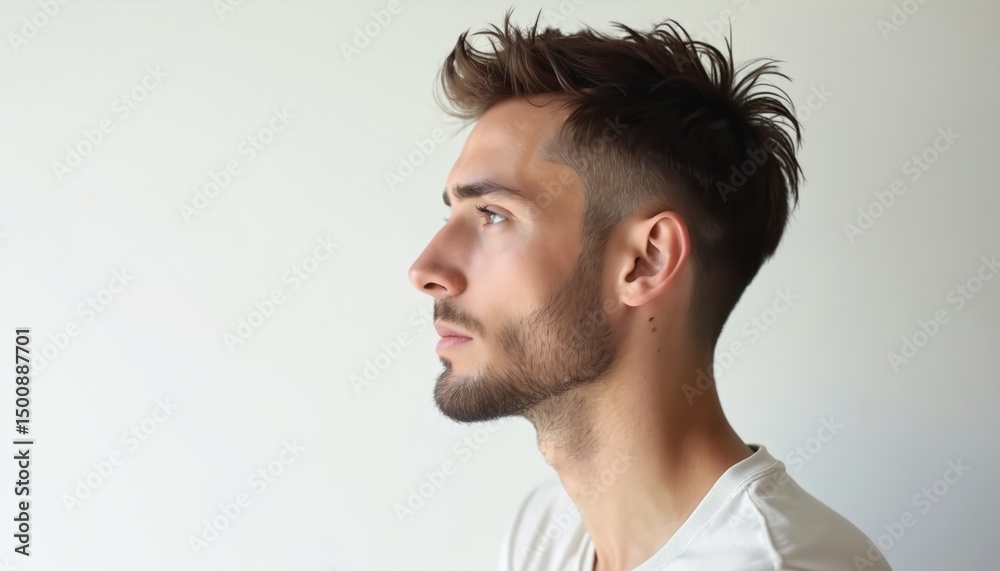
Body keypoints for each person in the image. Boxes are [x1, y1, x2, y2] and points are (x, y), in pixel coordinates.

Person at [407, 9, 893, 571]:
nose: (425, 269)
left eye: (493, 214)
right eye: (453, 214)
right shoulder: (545, 532)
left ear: (646, 261)